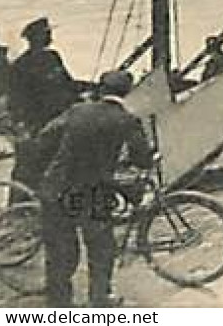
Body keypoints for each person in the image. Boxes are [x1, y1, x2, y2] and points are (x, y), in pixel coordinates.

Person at [28, 69, 153, 307]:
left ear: (102, 90)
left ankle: (59, 305)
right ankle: (99, 298)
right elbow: (142, 159)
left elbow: (44, 139)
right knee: (101, 247)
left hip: (56, 189)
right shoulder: (126, 119)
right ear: (126, 92)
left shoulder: (77, 111)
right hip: (93, 192)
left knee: (60, 252)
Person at [10, 18, 79, 138]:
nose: (50, 37)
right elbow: (20, 97)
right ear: (37, 38)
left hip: (62, 111)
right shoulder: (21, 65)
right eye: (47, 34)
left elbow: (68, 82)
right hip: (41, 119)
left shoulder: (53, 56)